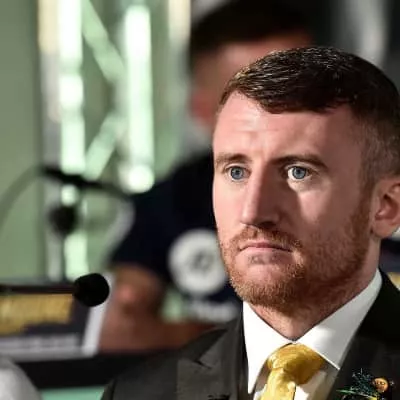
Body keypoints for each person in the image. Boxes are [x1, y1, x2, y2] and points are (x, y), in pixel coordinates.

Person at [101, 46, 400, 399]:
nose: (253, 212)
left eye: (298, 172)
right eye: (236, 172)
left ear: (385, 207)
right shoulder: (138, 394)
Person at [100, 0, 313, 351]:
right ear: (202, 109)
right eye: (257, 99)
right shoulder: (175, 199)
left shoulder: (377, 189)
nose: (288, 113)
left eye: (305, 91)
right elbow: (120, 325)